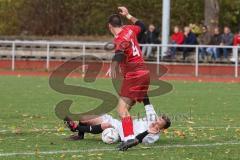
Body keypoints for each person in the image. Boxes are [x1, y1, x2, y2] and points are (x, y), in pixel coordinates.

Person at [105, 6, 152, 151]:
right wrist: (129, 15)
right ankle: (127, 135)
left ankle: (129, 138)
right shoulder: (130, 29)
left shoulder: (119, 38)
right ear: (121, 23)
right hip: (144, 74)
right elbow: (142, 26)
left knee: (121, 109)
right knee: (126, 109)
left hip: (134, 76)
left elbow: (119, 53)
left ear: (110, 26)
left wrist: (112, 66)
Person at [64, 104, 171, 145]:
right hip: (119, 124)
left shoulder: (153, 137)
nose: (155, 122)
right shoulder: (152, 117)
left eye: (159, 124)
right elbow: (147, 101)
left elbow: (136, 140)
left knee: (105, 125)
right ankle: (80, 134)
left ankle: (76, 127)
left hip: (121, 135)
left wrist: (147, 131)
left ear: (161, 129)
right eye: (158, 119)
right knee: (85, 118)